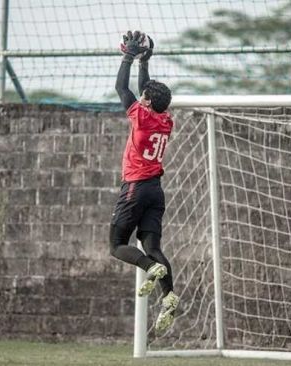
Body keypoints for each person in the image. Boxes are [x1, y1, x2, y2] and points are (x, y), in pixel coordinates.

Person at [110, 30, 178, 332]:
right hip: (156, 192)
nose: (143, 95)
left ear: (147, 102)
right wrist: (144, 61)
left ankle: (150, 268)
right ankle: (169, 295)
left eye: (146, 96)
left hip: (136, 188)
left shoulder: (140, 116)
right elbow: (143, 89)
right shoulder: (165, 120)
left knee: (116, 245)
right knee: (152, 245)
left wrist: (128, 56)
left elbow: (121, 88)